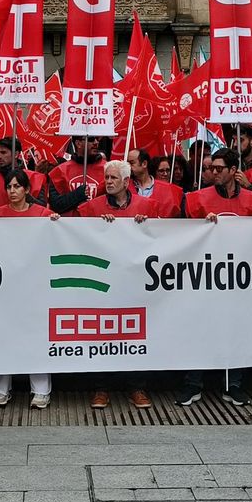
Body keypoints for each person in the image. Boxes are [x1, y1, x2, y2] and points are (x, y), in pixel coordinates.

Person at [176, 149, 252, 407]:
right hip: (204, 278)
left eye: (219, 168)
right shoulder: (196, 200)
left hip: (240, 280)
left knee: (236, 332)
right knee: (199, 331)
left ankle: (233, 384)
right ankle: (193, 383)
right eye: (211, 168)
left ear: (233, 170)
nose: (213, 172)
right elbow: (180, 237)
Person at [76, 160, 162, 411]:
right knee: (102, 334)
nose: (108, 182)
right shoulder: (91, 208)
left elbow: (162, 238)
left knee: (134, 333)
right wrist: (97, 227)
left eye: (114, 178)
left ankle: (136, 386)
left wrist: (147, 226)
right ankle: (101, 388)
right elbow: (74, 235)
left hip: (135, 283)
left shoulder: (147, 207)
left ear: (126, 182)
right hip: (102, 283)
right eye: (106, 177)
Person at [0, 168, 55, 409]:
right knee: (2, 335)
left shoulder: (43, 214)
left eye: (17, 186)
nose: (12, 191)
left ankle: (41, 390)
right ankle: (0, 389)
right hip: (5, 288)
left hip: (35, 287)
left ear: (27, 189)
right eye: (9, 186)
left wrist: (56, 224)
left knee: (37, 335)